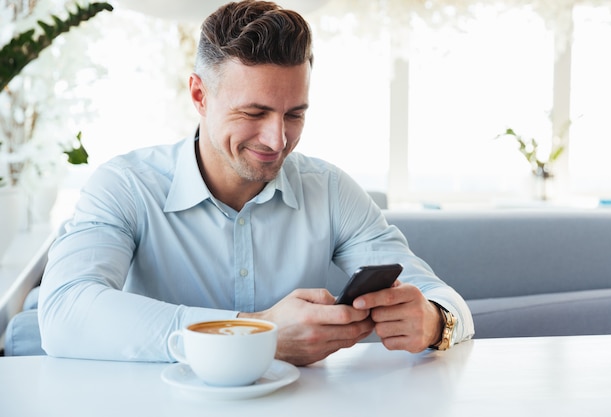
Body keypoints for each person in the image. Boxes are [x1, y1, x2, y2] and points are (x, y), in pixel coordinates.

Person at [38, 0, 474, 366]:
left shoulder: (331, 191)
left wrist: (434, 321)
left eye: (294, 114)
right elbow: (63, 312)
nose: (277, 139)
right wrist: (251, 333)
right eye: (254, 113)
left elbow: (446, 300)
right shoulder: (125, 185)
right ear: (199, 95)